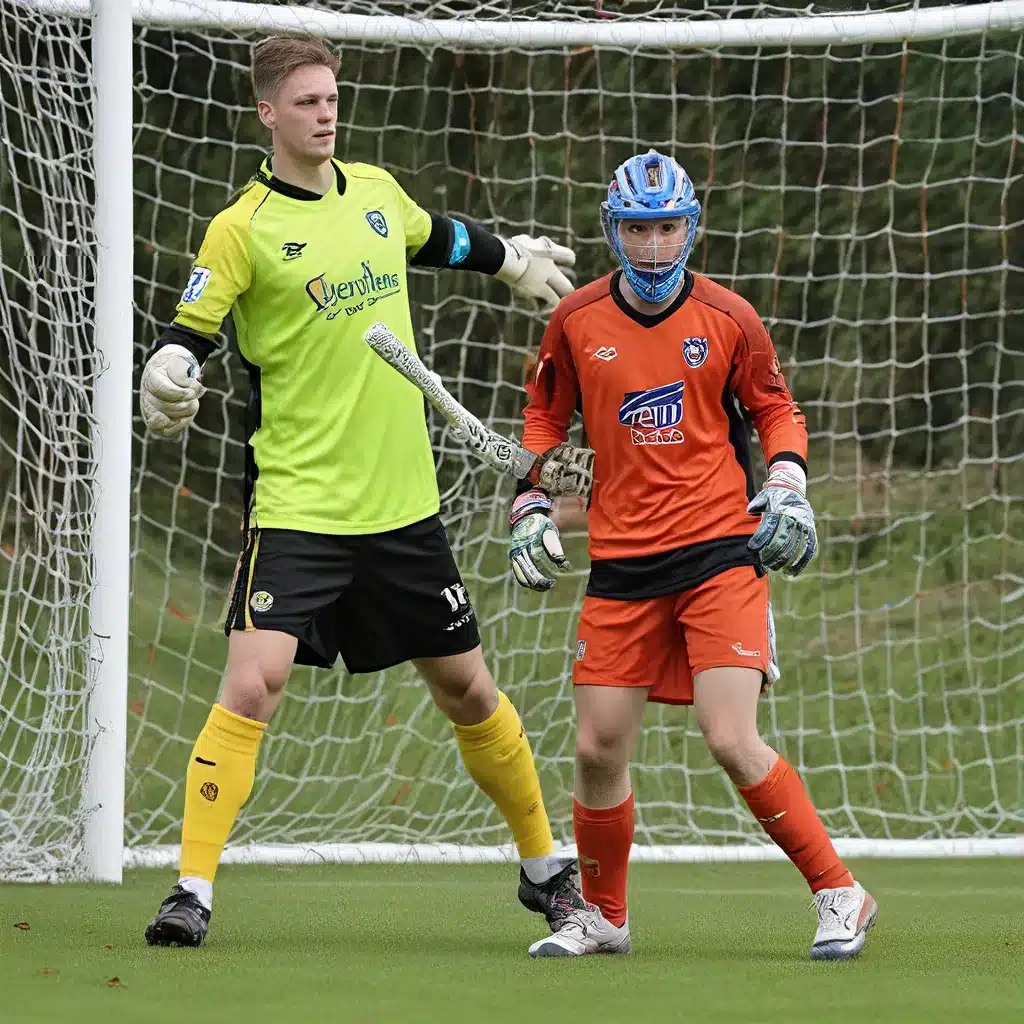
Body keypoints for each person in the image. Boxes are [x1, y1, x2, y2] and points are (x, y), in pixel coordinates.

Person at [139, 34, 589, 948]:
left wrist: (508, 260)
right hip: (300, 504)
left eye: (331, 97)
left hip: (402, 508)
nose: (325, 112)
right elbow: (193, 329)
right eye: (306, 101)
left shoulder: (376, 193)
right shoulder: (242, 228)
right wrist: (167, 372)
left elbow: (439, 238)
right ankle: (191, 889)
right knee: (253, 683)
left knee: (468, 691)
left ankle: (547, 870)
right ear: (269, 112)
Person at [508, 149, 878, 961]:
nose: (650, 245)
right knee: (597, 747)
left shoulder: (730, 318)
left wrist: (787, 485)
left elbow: (777, 411)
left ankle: (840, 894)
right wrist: (531, 502)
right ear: (613, 231)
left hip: (719, 552)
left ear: (691, 227)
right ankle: (605, 916)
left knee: (729, 736)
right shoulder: (575, 322)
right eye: (636, 229)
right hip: (623, 563)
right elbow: (544, 422)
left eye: (665, 226)